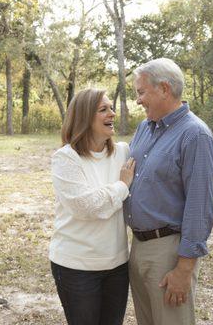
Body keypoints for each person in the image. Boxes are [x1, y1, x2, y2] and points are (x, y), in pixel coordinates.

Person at [124, 58, 213, 325]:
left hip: (169, 251)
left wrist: (184, 268)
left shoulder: (195, 135)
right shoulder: (144, 128)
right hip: (138, 246)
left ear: (164, 88)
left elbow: (199, 207)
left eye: (141, 92)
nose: (139, 100)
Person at [49, 88, 135, 325]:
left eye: (112, 108)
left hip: (116, 265)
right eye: (103, 109)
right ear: (85, 117)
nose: (112, 113)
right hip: (75, 266)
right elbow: (85, 206)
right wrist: (122, 185)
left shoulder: (123, 152)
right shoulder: (66, 158)